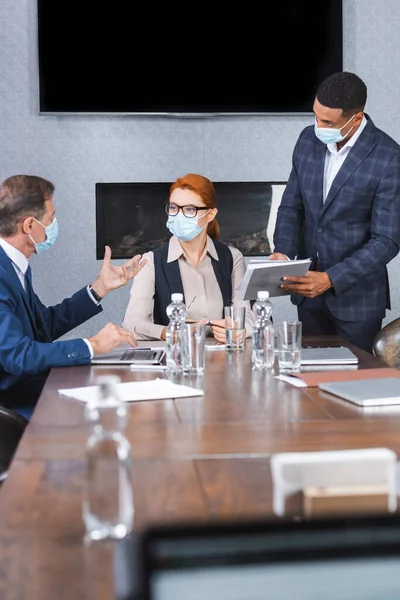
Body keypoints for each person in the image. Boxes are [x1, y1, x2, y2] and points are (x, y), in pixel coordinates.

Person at [270, 71, 400, 353]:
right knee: (308, 386)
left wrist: (331, 279)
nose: (318, 126)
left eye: (328, 121)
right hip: (308, 298)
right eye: (315, 116)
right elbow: (292, 204)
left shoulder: (389, 157)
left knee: (354, 387)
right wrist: (282, 252)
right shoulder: (307, 140)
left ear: (356, 118)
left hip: (357, 302)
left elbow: (386, 241)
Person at [0, 174, 146, 418]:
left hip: (36, 392)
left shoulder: (16, 266)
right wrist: (92, 345)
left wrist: (99, 288)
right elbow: (17, 355)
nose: (55, 224)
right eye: (51, 218)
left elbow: (43, 325)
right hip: (17, 409)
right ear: (29, 226)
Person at [122, 173, 254, 342]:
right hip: (175, 359)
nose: (179, 215)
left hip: (223, 356)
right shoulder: (151, 262)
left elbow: (246, 312)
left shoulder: (232, 257)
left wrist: (240, 330)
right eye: (174, 207)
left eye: (190, 209)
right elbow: (132, 323)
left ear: (210, 214)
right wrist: (168, 333)